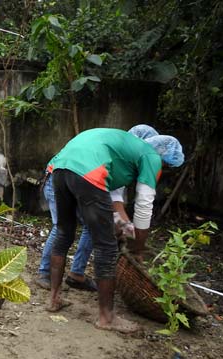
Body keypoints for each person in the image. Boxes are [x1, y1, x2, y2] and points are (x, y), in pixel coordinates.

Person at [47, 128, 184, 333]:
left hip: (61, 166)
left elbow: (111, 198)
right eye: (167, 167)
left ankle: (53, 299)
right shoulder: (152, 156)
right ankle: (106, 318)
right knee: (106, 247)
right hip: (86, 171)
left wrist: (125, 228)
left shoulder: (126, 149)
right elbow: (144, 205)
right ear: (166, 160)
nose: (164, 169)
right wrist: (138, 247)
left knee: (64, 232)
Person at [36, 124, 163, 290]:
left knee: (92, 225)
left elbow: (113, 198)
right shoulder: (118, 155)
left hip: (76, 177)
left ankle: (76, 274)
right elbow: (115, 199)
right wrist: (128, 230)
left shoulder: (123, 157)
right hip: (60, 177)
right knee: (61, 227)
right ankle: (45, 273)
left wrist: (123, 225)